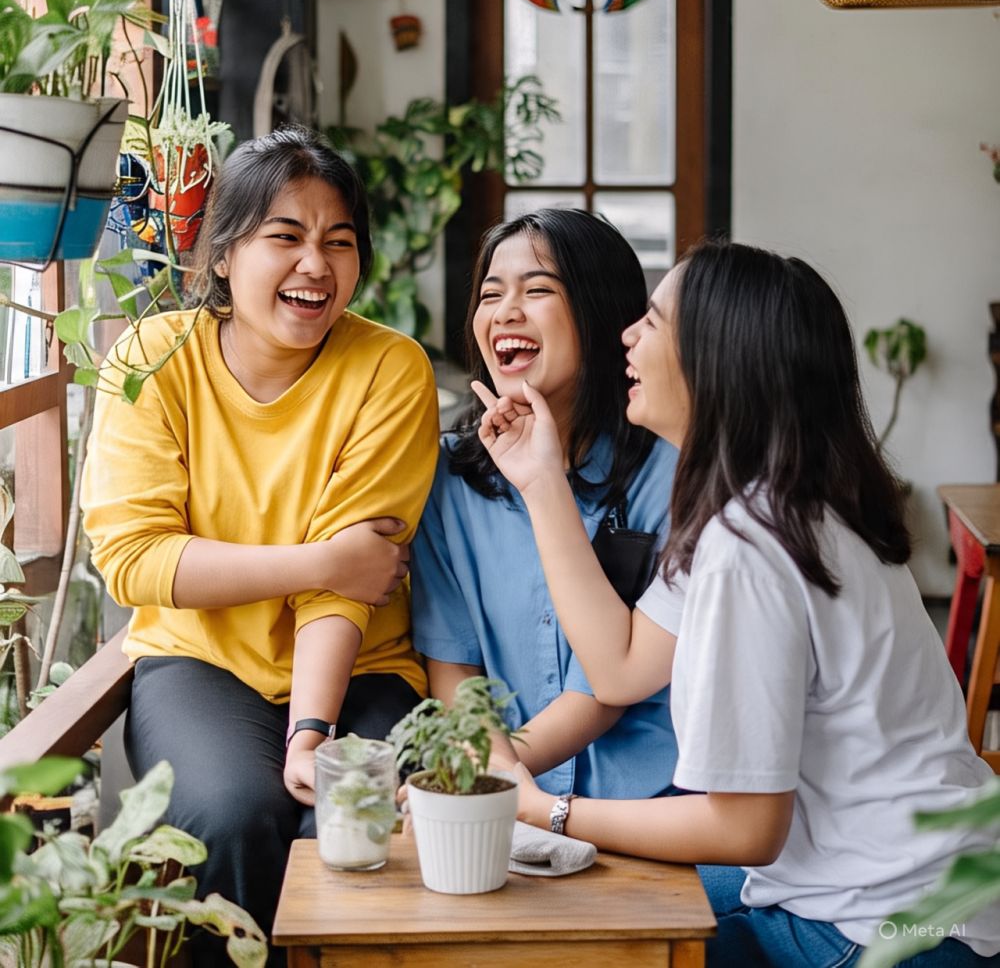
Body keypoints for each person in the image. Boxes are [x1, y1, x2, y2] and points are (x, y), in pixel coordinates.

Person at [472, 241, 1000, 966]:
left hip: (889, 926)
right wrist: (540, 480)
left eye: (652, 323)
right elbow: (620, 667)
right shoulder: (782, 500)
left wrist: (547, 811)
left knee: (574, 935)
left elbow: (746, 830)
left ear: (716, 361)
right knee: (586, 894)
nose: (628, 335)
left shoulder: (750, 546)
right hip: (924, 885)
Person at [81, 127, 439, 966]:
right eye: (286, 236)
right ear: (222, 254)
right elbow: (135, 559)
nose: (316, 264)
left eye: (338, 242)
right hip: (203, 664)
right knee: (232, 811)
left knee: (353, 819)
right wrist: (318, 559)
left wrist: (310, 731)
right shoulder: (152, 358)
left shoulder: (389, 367)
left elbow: (347, 592)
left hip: (363, 670)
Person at [411, 208, 679, 803]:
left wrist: (499, 779)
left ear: (601, 310)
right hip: (503, 794)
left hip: (647, 803)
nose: (506, 311)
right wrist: (489, 772)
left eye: (537, 290)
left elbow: (613, 684)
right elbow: (456, 669)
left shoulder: (670, 471)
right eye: (490, 294)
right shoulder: (448, 472)